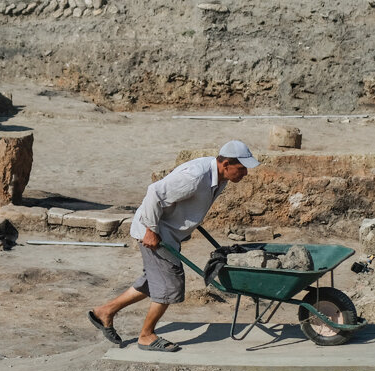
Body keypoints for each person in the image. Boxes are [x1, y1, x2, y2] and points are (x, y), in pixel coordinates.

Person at [88, 140, 259, 352]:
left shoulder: (219, 176)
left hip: (168, 232)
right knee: (171, 285)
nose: (245, 174)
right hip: (155, 233)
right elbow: (154, 193)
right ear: (225, 164)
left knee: (154, 282)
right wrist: (151, 229)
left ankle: (105, 311)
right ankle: (146, 336)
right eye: (241, 169)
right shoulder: (195, 176)